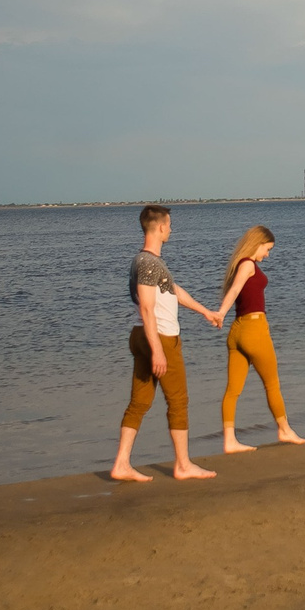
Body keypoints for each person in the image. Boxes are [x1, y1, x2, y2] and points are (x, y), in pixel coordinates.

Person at [114, 204, 223, 482]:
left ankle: (121, 464)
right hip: (159, 336)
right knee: (178, 401)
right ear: (161, 227)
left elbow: (172, 291)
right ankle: (183, 465)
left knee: (139, 402)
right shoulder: (149, 263)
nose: (171, 229)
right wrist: (159, 351)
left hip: (142, 334)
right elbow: (149, 308)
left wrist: (204, 311)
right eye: (170, 225)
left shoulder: (147, 261)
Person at [214, 224, 305, 454]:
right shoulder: (247, 264)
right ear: (258, 243)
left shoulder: (239, 264)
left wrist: (223, 315)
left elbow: (235, 291)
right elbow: (234, 291)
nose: (268, 254)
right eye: (268, 248)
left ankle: (229, 440)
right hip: (254, 330)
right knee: (272, 384)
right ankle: (284, 429)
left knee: (233, 390)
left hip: (237, 332)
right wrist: (220, 313)